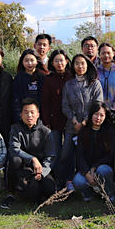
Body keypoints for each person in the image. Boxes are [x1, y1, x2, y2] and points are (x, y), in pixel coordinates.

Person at [61, 54, 103, 190]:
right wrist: (74, 121)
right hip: (71, 125)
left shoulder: (94, 83)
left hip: (90, 126)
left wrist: (84, 121)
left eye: (83, 63)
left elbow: (97, 104)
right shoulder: (68, 84)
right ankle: (68, 181)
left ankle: (92, 182)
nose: (80, 67)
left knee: (87, 154)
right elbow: (65, 105)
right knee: (66, 154)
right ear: (73, 66)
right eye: (77, 64)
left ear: (88, 65)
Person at [7, 98, 56, 205]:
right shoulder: (15, 128)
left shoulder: (45, 132)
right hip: (24, 167)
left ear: (38, 114)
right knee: (14, 159)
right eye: (26, 112)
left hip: (41, 169)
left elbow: (50, 156)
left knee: (50, 188)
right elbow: (14, 149)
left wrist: (42, 172)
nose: (29, 115)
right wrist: (32, 159)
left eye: (32, 112)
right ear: (21, 115)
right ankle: (12, 191)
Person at [73, 102, 115, 202]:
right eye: (96, 114)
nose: (98, 118)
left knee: (104, 170)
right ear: (91, 115)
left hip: (102, 167)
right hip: (87, 168)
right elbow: (80, 155)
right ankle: (90, 195)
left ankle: (110, 194)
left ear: (106, 116)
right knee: (78, 181)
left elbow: (110, 155)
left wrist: (95, 167)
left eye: (102, 115)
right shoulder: (84, 131)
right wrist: (87, 173)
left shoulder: (109, 131)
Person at [41, 50, 72, 184]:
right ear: (52, 63)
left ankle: (69, 179)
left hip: (70, 120)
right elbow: (45, 102)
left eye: (62, 60)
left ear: (66, 61)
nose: (60, 63)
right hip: (54, 120)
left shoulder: (72, 77)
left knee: (69, 152)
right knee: (56, 152)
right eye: (56, 61)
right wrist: (46, 120)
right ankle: (57, 180)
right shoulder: (48, 79)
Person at [12, 49, 45, 122]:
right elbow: (16, 99)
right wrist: (19, 116)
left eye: (32, 60)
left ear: (37, 61)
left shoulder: (42, 77)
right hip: (24, 116)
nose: (29, 63)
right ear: (22, 62)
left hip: (40, 117)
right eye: (26, 61)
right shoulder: (18, 78)